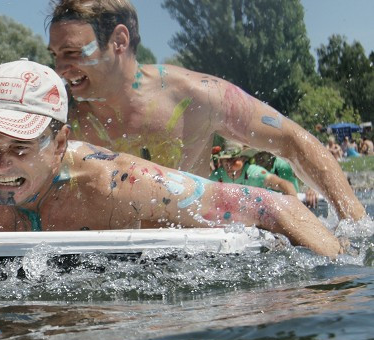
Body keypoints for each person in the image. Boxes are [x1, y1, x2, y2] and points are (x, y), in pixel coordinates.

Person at [0, 60, 340, 259]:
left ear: (60, 143)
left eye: (20, 147)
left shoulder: (118, 182)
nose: (0, 166)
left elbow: (277, 208)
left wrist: (343, 291)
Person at [46, 0, 367, 222]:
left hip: (189, 268)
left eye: (72, 52)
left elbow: (292, 140)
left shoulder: (196, 97)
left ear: (118, 40)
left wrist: (354, 220)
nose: (60, 68)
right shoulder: (57, 114)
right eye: (56, 55)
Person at [211, 142, 297, 196]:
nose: (229, 163)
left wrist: (294, 202)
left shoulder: (252, 172)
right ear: (221, 160)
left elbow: (283, 184)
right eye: (226, 160)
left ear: (243, 159)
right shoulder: (217, 176)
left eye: (233, 160)